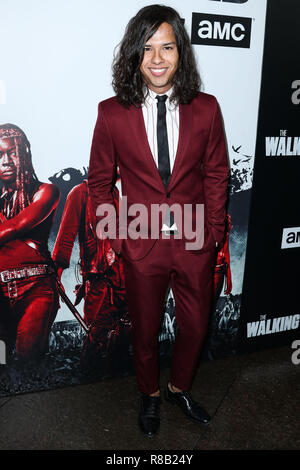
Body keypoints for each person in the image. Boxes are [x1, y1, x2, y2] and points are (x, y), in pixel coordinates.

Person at [88, 5, 229, 437]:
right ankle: (149, 395)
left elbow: (217, 173)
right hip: (141, 243)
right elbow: (98, 184)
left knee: (195, 326)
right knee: (145, 331)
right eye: (147, 48)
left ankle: (178, 387)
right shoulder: (112, 112)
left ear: (180, 52)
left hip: (193, 243)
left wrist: (212, 233)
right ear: (134, 54)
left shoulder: (205, 108)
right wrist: (118, 238)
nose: (157, 58)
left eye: (167, 46)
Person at [52, 180, 129, 371]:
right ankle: (91, 384)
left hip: (129, 277)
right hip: (100, 281)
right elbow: (65, 238)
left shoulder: (123, 191)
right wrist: (56, 274)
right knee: (95, 341)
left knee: (123, 340)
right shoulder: (80, 192)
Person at [0, 123, 60, 365]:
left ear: (24, 154)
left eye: (12, 153)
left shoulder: (46, 191)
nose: (5, 161)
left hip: (36, 290)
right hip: (0, 294)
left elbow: (16, 227)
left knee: (28, 363)